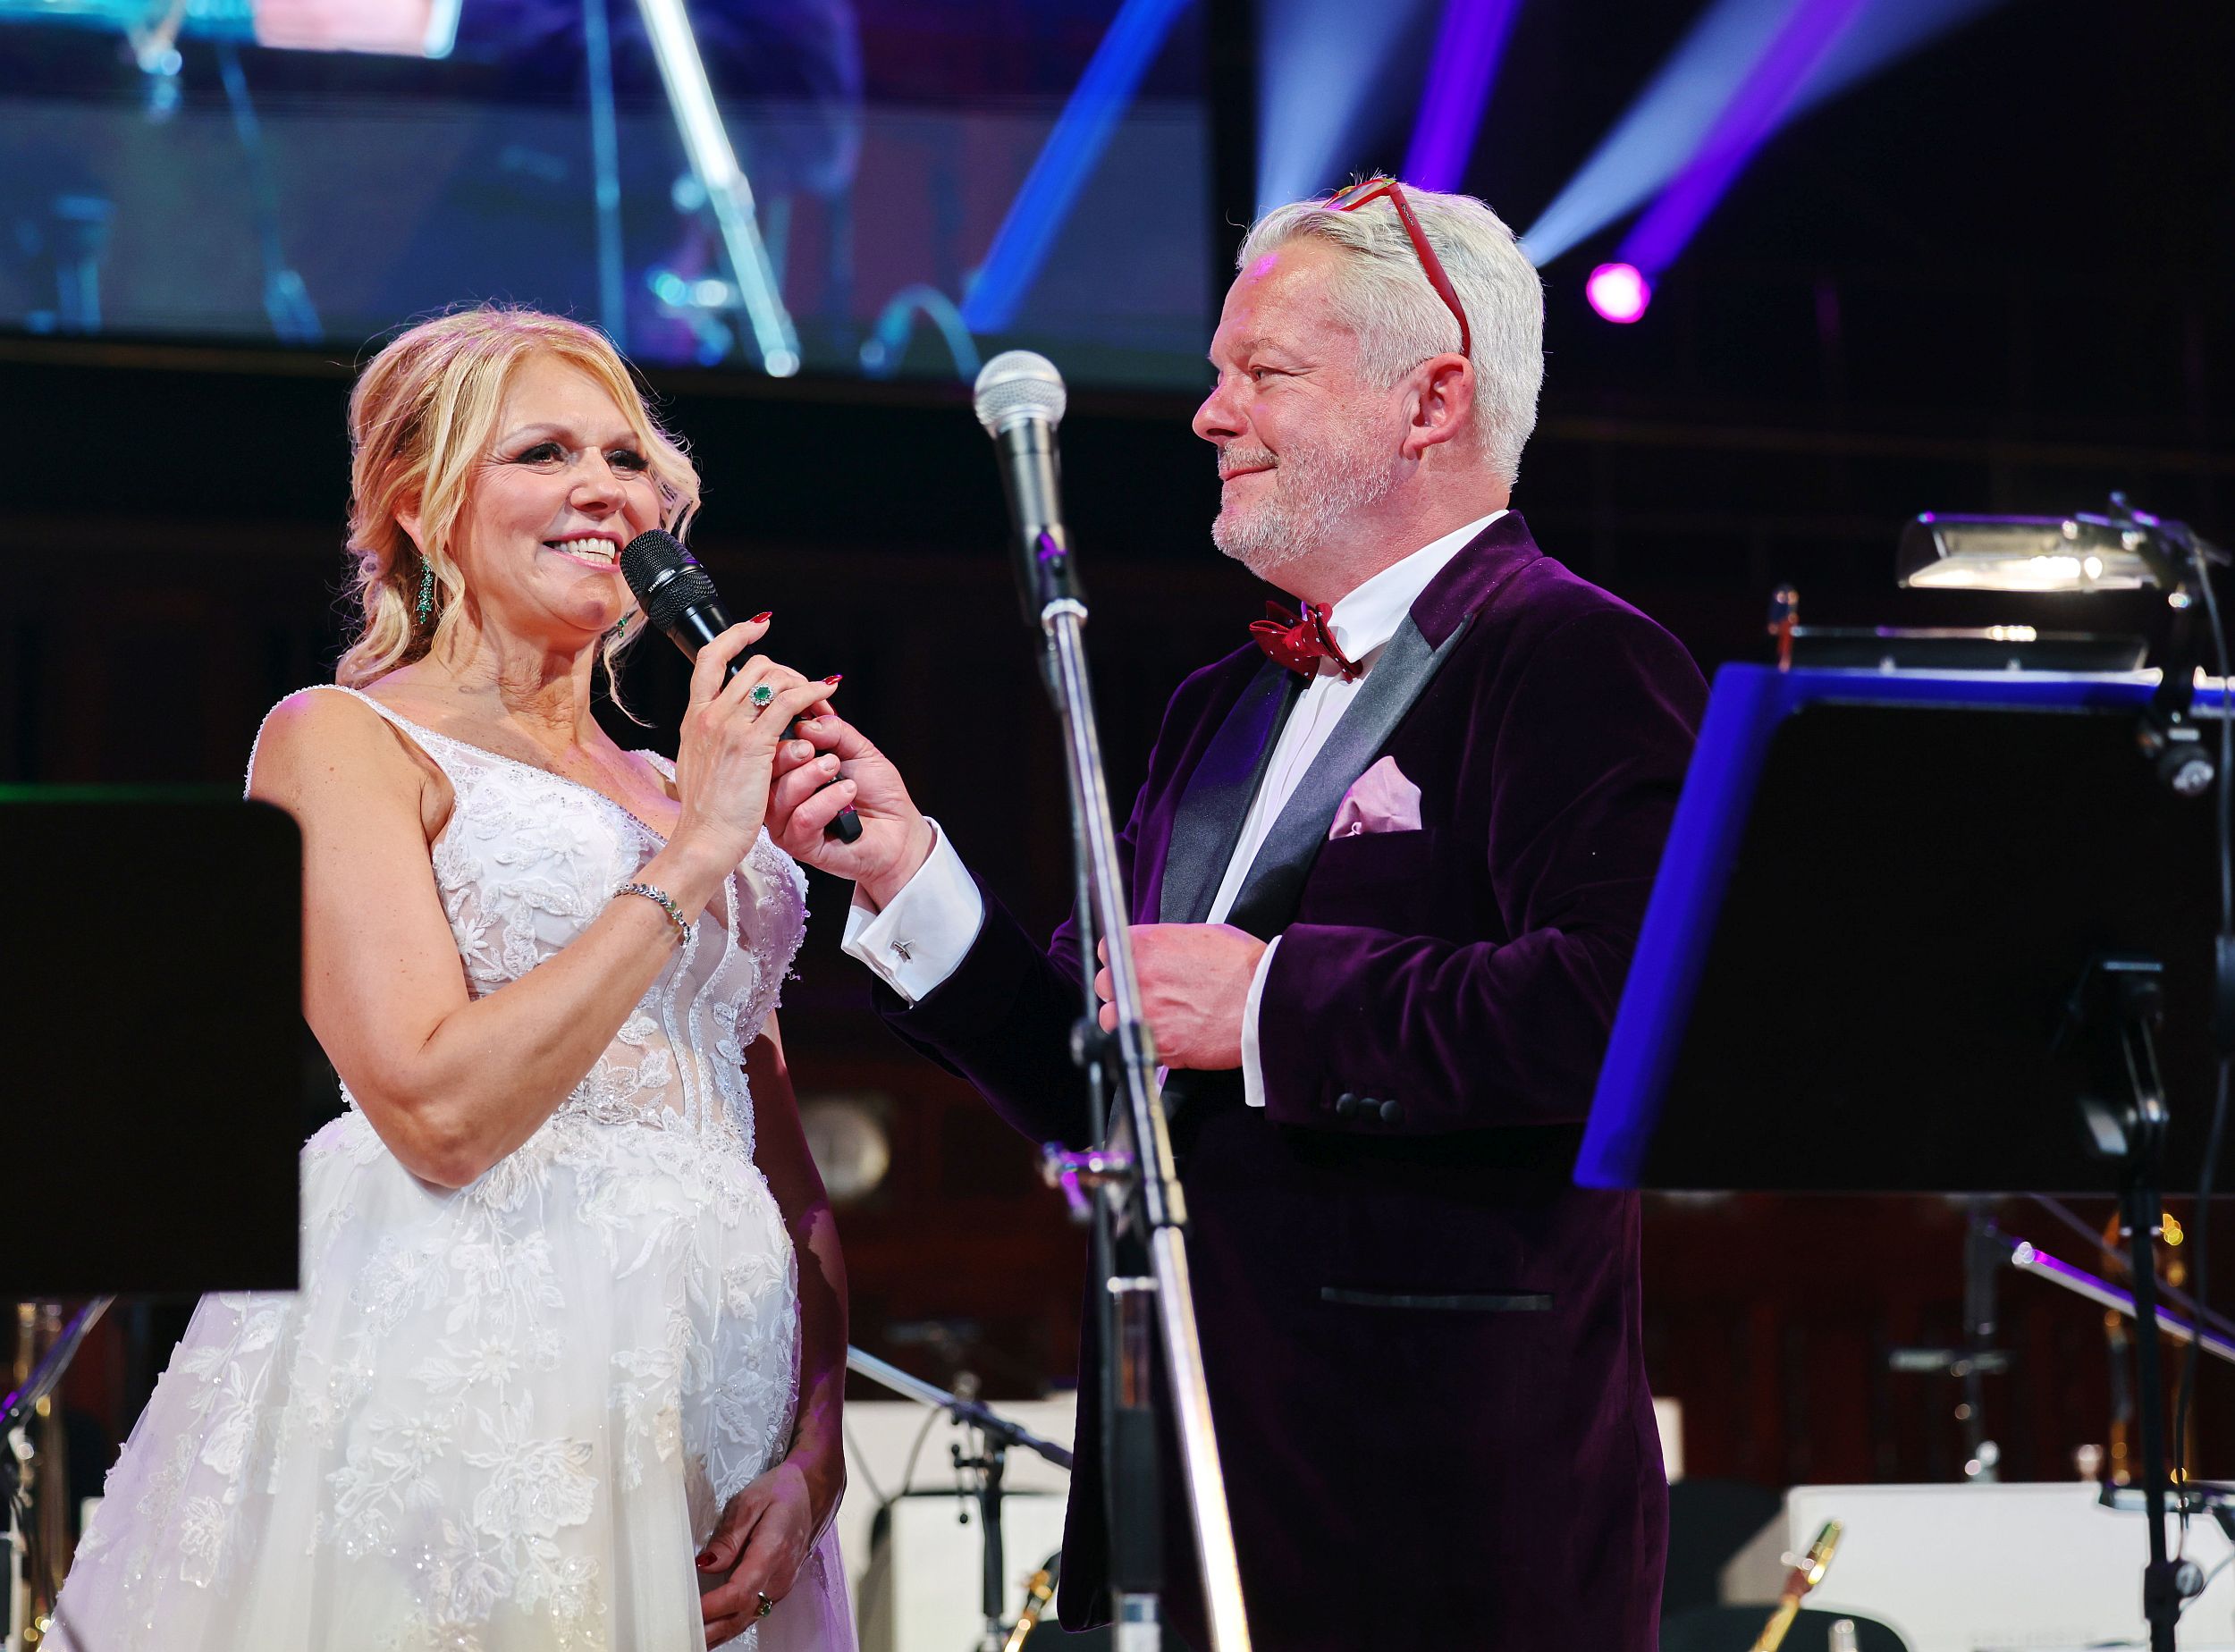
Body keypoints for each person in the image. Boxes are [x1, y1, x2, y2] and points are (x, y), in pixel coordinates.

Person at [758, 182, 1708, 1648]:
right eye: (1218, 373)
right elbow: (1110, 1084)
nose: (1210, 415)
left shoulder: (1579, 657)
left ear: (1432, 400)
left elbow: (1621, 1018)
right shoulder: (1221, 703)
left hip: (1445, 1512)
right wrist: (904, 872)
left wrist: (1268, 1004)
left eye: (1264, 372)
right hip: (1177, 1494)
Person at [51, 307, 857, 1652]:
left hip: (707, 1414)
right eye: (542, 453)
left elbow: (778, 1160)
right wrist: (701, 853)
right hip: (470, 1393)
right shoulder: (342, 741)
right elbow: (434, 1109)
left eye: (626, 457)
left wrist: (817, 1455)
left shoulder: (678, 787)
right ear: (423, 510)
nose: (605, 489)